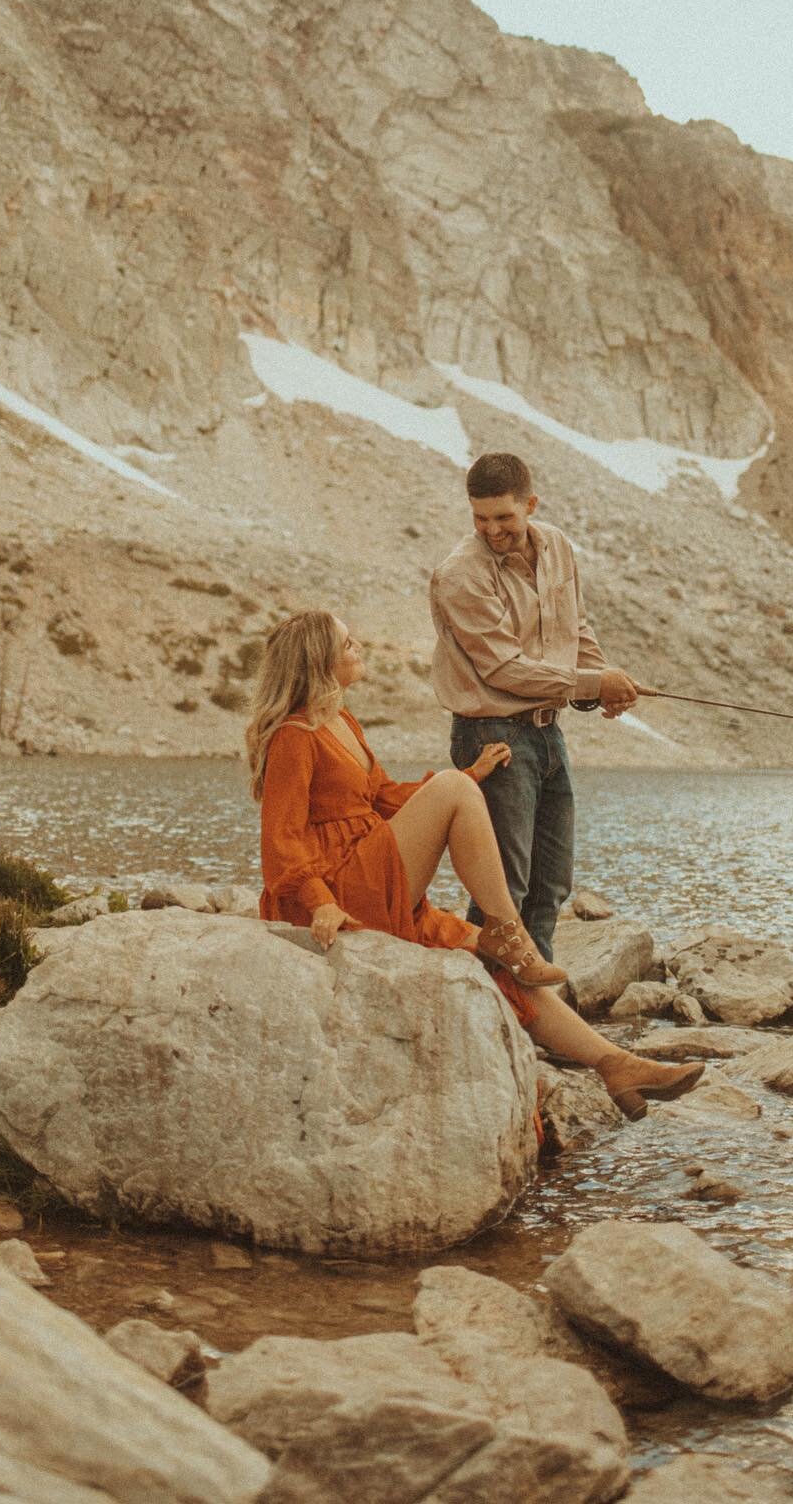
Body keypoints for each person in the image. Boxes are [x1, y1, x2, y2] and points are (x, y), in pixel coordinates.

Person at [248, 609, 702, 1118]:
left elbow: (380, 798)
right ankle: (510, 930)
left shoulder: (340, 720)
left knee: (500, 967)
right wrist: (321, 904)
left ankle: (616, 1064)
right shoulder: (294, 735)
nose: (359, 649)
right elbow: (280, 837)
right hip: (342, 887)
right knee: (455, 798)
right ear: (319, 660)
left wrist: (471, 773)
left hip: (368, 867)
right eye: (348, 644)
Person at [430, 451, 636, 961]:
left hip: (547, 734)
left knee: (551, 884)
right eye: (480, 518)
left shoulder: (559, 547)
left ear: (530, 505)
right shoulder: (461, 574)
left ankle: (535, 1008)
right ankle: (488, 1003)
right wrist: (592, 683)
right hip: (490, 737)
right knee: (502, 890)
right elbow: (504, 669)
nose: (492, 530)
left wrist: (600, 686)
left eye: (504, 517)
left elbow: (576, 627)